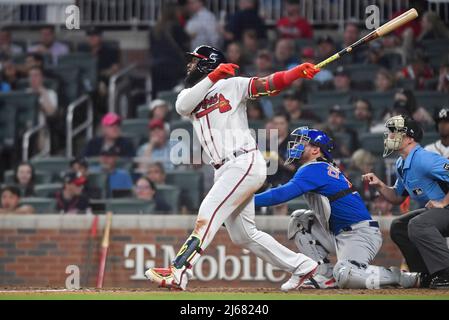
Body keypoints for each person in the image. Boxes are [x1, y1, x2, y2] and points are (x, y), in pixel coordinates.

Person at [145, 45, 321, 290]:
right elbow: (182, 107)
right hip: (224, 169)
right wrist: (213, 76)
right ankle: (304, 267)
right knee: (243, 235)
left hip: (243, 161)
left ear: (208, 63)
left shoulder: (234, 85)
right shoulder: (190, 93)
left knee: (208, 211)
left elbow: (268, 84)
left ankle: (179, 270)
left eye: (195, 61)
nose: (190, 65)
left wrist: (295, 73)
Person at [255, 127, 419, 290]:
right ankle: (323, 275)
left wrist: (247, 201)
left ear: (316, 150)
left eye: (303, 142)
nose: (296, 145)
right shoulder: (318, 167)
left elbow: (279, 195)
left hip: (359, 233)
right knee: (300, 220)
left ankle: (404, 277)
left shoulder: (314, 168)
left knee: (345, 274)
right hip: (337, 231)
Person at [362, 115, 449, 289]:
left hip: (445, 208)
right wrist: (379, 185)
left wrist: (443, 203)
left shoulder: (423, 159)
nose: (390, 137)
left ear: (409, 138)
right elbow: (397, 197)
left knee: (418, 224)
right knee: (399, 226)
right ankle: (426, 274)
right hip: (442, 212)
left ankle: (446, 273)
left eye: (395, 133)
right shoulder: (402, 163)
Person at [149, 3, 190, 96]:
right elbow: (184, 46)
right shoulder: (176, 28)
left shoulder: (154, 29)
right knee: (172, 94)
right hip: (174, 66)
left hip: (157, 66)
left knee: (159, 94)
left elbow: (152, 49)